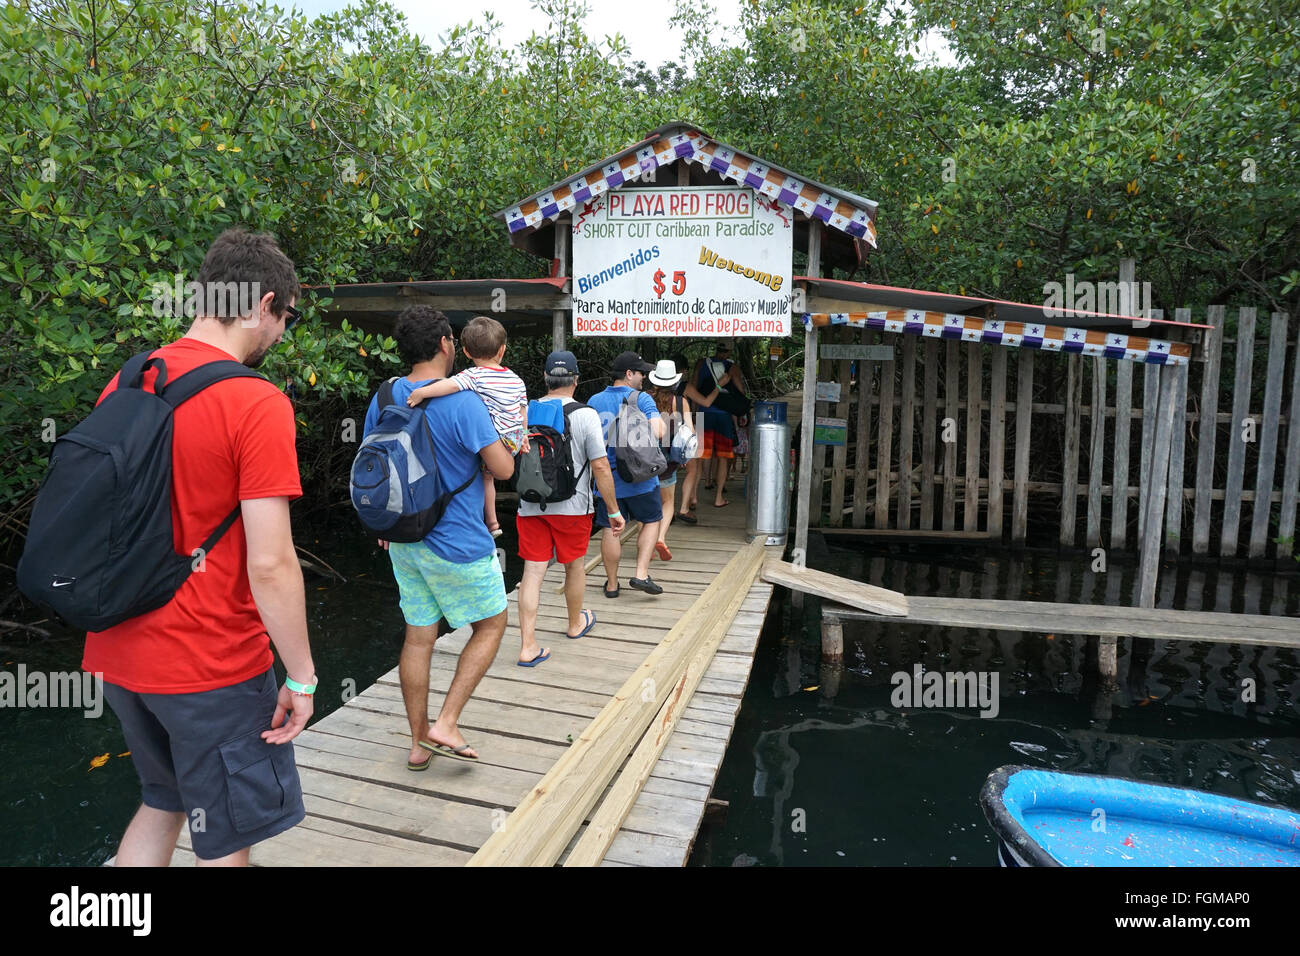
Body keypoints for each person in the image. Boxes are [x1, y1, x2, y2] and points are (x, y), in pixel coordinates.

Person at [84, 228, 315, 866]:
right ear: (264, 303)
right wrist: (300, 674)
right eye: (286, 318)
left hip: (119, 648)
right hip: (209, 663)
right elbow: (269, 563)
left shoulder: (131, 378)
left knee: (164, 800)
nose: (280, 333)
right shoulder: (254, 401)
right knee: (229, 833)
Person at [363, 306, 515, 766]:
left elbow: (374, 466)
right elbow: (504, 470)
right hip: (458, 541)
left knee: (418, 636)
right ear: (447, 344)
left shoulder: (385, 394)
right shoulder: (464, 402)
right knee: (491, 624)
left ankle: (417, 743)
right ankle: (446, 722)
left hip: (404, 540)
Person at [514, 351, 626, 667]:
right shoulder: (586, 415)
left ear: (546, 379)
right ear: (576, 380)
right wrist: (614, 511)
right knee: (573, 566)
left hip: (531, 504)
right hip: (573, 507)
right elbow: (601, 467)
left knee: (533, 571)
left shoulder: (527, 412)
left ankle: (527, 646)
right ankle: (575, 624)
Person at [405, 314, 527, 538]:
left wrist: (422, 392)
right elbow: (522, 409)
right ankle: (492, 522)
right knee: (489, 475)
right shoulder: (515, 379)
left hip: (497, 440)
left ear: (467, 352)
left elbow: (447, 386)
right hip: (514, 438)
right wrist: (524, 436)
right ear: (502, 350)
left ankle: (491, 522)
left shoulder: (473, 376)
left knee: (488, 477)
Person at [587, 350, 667, 597]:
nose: (644, 377)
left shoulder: (594, 401)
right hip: (640, 478)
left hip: (607, 479)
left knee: (612, 528)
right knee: (652, 520)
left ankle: (612, 585)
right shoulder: (641, 399)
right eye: (641, 373)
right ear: (629, 374)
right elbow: (659, 432)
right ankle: (641, 574)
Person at [647, 358, 695, 561]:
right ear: (675, 381)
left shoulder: (645, 398)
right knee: (667, 503)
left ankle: (646, 544)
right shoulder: (680, 401)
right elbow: (690, 431)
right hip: (668, 462)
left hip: (646, 461)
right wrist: (684, 456)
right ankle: (660, 537)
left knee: (648, 504)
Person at [684, 341, 739, 508]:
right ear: (729, 352)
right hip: (724, 415)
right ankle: (718, 497)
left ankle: (693, 496)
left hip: (703, 413)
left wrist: (694, 413)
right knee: (722, 457)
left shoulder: (702, 363)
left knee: (699, 457)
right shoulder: (732, 367)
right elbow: (739, 390)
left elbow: (693, 386)